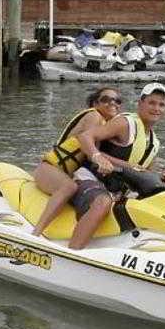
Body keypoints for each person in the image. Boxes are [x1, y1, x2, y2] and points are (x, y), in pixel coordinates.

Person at [68, 83, 165, 250]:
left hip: (116, 191)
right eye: (152, 103)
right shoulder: (125, 124)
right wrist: (97, 156)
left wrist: (164, 174)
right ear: (141, 103)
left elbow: (144, 171)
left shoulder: (154, 142)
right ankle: (72, 252)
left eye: (162, 105)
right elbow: (86, 136)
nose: (157, 108)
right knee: (102, 202)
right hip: (89, 178)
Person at [31, 87, 123, 237]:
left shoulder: (105, 126)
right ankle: (36, 233)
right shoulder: (94, 116)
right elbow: (90, 149)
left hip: (61, 172)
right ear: (95, 104)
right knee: (70, 187)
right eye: (106, 99)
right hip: (48, 168)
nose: (112, 103)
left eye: (117, 100)